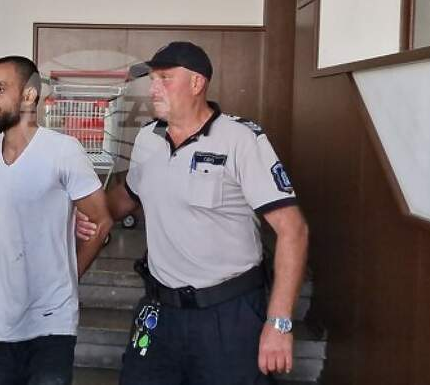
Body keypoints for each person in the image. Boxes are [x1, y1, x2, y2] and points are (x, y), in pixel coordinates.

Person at [78, 41, 309, 385]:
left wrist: (278, 323)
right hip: (161, 310)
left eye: (165, 78)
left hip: (228, 314)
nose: (153, 89)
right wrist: (89, 213)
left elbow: (294, 230)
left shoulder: (241, 139)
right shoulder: (148, 139)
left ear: (197, 83)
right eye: (152, 79)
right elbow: (126, 196)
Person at [0, 56, 114, 385]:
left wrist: (70, 277)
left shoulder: (63, 150)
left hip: (52, 322)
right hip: (0, 322)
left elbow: (101, 220)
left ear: (29, 95)